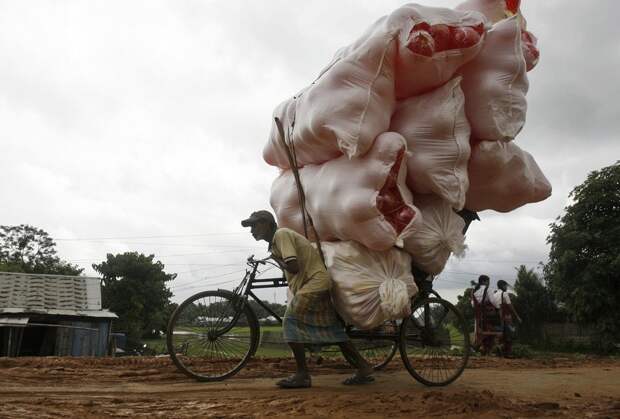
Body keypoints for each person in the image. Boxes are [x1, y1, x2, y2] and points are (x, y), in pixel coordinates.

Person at [241, 210, 374, 388]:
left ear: (267, 223)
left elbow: (293, 267)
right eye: (251, 227)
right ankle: (363, 367)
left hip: (315, 284)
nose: (252, 230)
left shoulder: (281, 235)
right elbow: (293, 270)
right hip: (316, 283)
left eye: (255, 225)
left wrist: (277, 261)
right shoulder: (274, 243)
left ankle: (302, 375)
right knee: (334, 331)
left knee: (289, 321)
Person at [490, 280, 522, 357]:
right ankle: (507, 353)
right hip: (506, 317)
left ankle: (500, 351)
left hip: (497, 318)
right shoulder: (504, 294)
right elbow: (510, 306)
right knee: (510, 334)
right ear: (502, 286)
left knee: (502, 336)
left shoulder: (495, 294)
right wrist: (517, 316)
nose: (506, 287)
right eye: (506, 286)